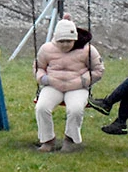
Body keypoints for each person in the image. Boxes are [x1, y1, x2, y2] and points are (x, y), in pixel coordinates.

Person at [33, 14, 104, 153]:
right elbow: (38, 68)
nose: (65, 44)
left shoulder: (87, 50)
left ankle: (69, 139)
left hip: (78, 87)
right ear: (55, 39)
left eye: (69, 41)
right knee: (42, 107)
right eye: (62, 41)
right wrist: (45, 79)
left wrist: (83, 81)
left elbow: (98, 70)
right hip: (53, 85)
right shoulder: (46, 49)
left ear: (75, 39)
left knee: (75, 109)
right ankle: (47, 140)